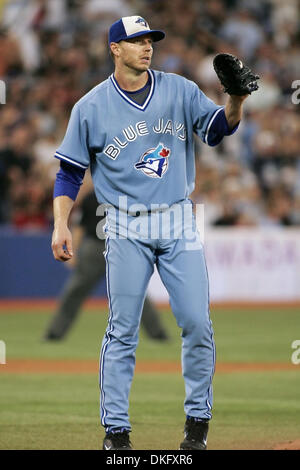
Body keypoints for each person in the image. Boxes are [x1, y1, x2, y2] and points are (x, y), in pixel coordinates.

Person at [51, 16, 250, 450]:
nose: (147, 46)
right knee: (122, 329)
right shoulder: (90, 106)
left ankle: (197, 423)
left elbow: (219, 130)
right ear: (114, 49)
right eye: (136, 40)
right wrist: (61, 223)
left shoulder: (178, 89)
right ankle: (116, 433)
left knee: (197, 323)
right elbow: (69, 173)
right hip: (122, 223)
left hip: (178, 217)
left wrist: (235, 98)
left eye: (150, 40)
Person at [44, 189, 169, 341]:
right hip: (113, 247)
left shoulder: (93, 195)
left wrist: (73, 251)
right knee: (135, 291)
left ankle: (55, 332)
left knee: (76, 291)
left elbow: (79, 227)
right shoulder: (125, 192)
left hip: (101, 248)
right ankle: (157, 333)